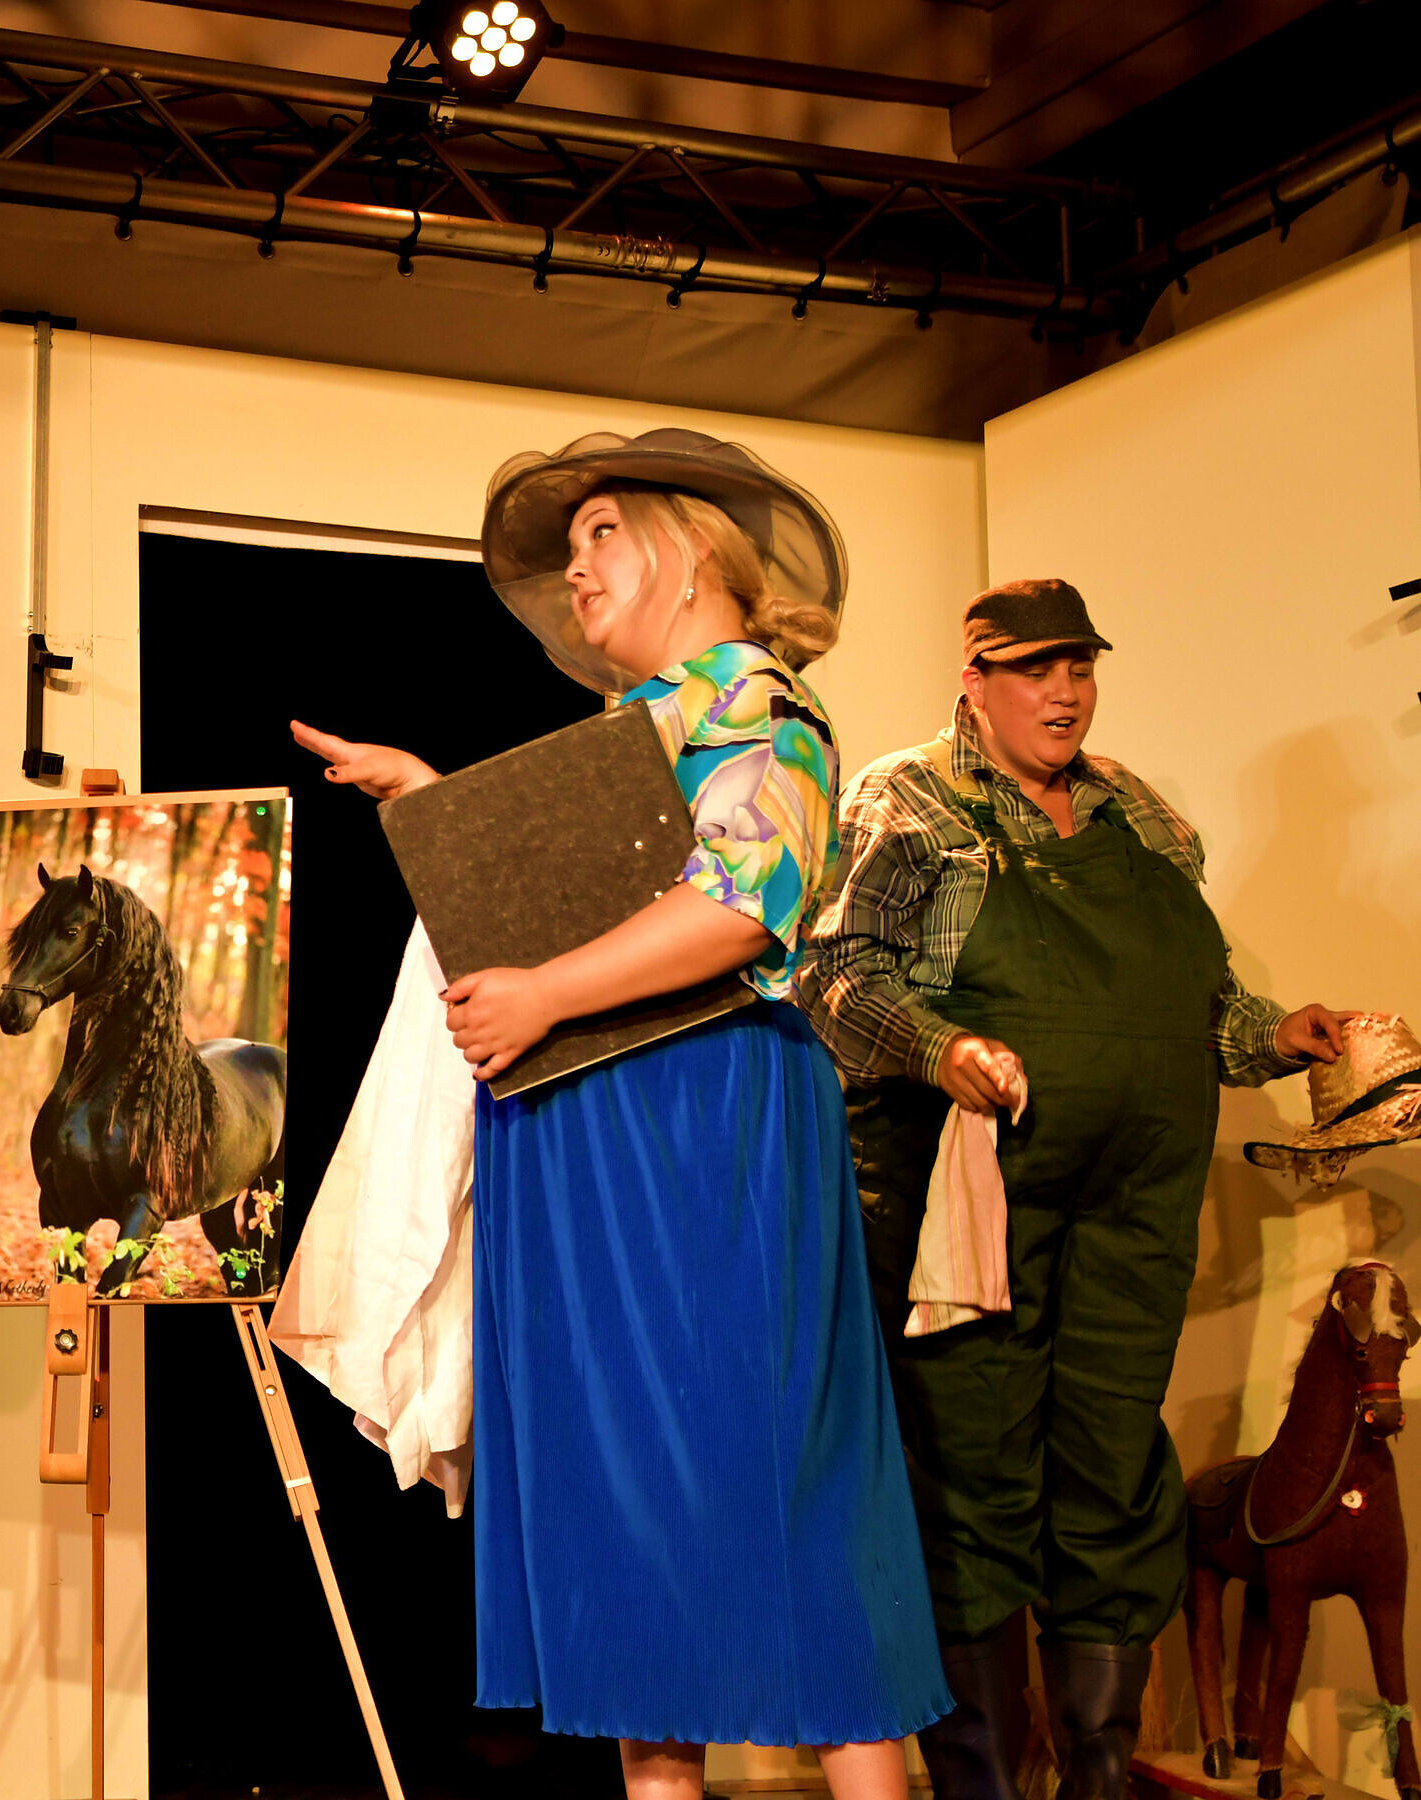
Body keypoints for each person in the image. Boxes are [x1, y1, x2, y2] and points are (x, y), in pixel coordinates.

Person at [293, 429, 947, 1800]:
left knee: (783, 1498)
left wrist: (540, 993)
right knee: (629, 1523)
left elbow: (739, 904)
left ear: (692, 549)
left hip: (701, 1126)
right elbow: (587, 887)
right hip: (591, 1128)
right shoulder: (631, 731)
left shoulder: (759, 706)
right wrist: (433, 803)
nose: (576, 569)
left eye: (602, 533)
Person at [798, 578, 1346, 1800]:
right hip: (965, 1209)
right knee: (970, 1468)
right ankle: (989, 1781)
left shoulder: (1140, 815)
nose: (1064, 693)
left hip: (1132, 1206)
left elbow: (1201, 1005)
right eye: (1036, 671)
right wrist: (941, 1047)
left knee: (1112, 1467)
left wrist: (1275, 1034)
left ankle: (1097, 1775)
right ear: (975, 680)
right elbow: (832, 974)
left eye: (1080, 668)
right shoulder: (905, 801)